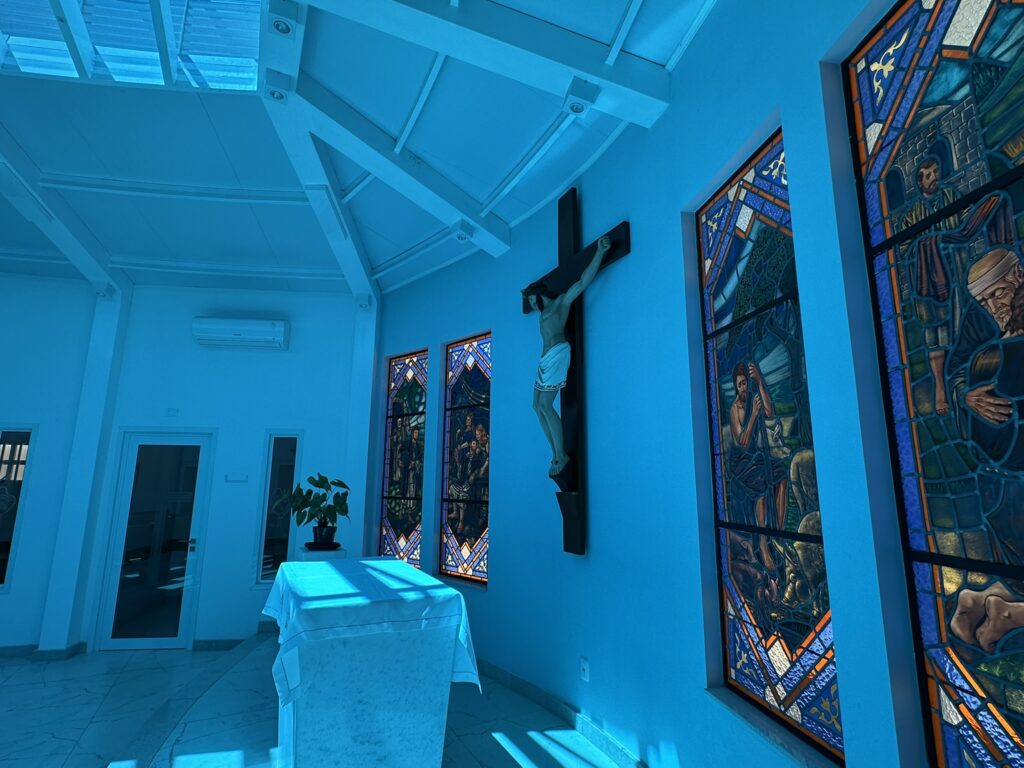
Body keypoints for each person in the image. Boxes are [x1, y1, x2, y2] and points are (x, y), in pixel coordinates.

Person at [524, 235, 611, 476]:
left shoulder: (560, 303)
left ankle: (562, 455)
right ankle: (555, 454)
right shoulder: (542, 314)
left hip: (558, 353)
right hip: (544, 360)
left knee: (546, 404)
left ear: (541, 294)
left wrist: (600, 252)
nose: (533, 305)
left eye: (533, 300)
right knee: (536, 406)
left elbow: (582, 282)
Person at [728, 361, 789, 569]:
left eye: (745, 383)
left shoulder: (754, 396)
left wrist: (760, 382)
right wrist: (753, 415)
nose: (743, 388)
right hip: (741, 463)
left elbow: (770, 412)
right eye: (739, 385)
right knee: (761, 486)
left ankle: (778, 533)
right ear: (736, 387)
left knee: (781, 475)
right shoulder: (734, 409)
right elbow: (743, 442)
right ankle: (763, 541)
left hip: (757, 457)